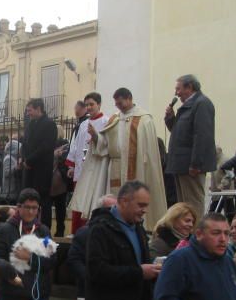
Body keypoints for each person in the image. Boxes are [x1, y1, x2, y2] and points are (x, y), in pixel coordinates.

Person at [71, 88, 168, 231]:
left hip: (138, 168)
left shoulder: (144, 119)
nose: (118, 106)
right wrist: (96, 136)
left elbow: (149, 151)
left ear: (129, 98)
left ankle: (140, 228)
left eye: (120, 103)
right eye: (116, 104)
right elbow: (104, 144)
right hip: (115, 168)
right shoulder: (115, 118)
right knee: (116, 200)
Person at [164, 74, 217, 219]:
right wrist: (170, 119)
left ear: (190, 87)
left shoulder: (201, 104)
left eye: (178, 89)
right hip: (181, 164)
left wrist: (196, 164)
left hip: (191, 166)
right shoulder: (188, 106)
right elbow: (179, 133)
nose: (176, 93)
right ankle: (187, 237)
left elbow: (202, 136)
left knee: (192, 204)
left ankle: (196, 236)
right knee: (184, 206)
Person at [66, 93, 110, 233]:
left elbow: (108, 145)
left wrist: (96, 137)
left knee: (92, 202)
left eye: (92, 104)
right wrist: (72, 165)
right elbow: (75, 145)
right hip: (80, 170)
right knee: (79, 203)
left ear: (99, 104)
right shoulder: (83, 124)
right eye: (87, 105)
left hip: (95, 171)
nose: (89, 107)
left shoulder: (107, 121)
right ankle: (77, 233)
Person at [21, 98, 58, 228]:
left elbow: (46, 147)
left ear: (38, 109)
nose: (28, 113)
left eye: (29, 110)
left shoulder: (49, 124)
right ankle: (29, 225)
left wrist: (30, 160)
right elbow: (25, 143)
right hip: (29, 168)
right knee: (28, 198)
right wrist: (24, 159)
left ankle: (44, 228)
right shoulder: (30, 125)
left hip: (42, 169)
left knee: (43, 200)